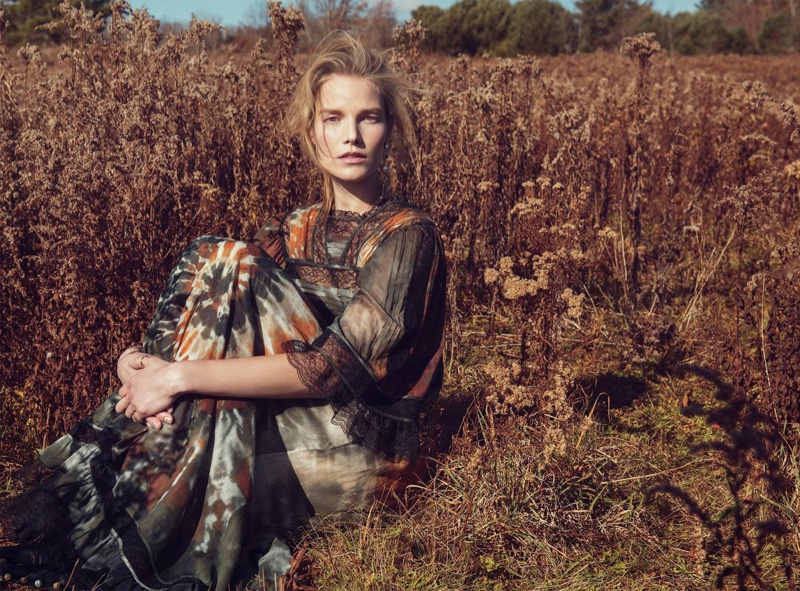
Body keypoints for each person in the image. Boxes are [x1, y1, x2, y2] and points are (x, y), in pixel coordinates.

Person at [0, 32, 446, 591]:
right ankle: (147, 416)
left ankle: (139, 509)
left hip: (361, 453)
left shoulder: (409, 238)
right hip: (290, 424)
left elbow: (331, 370)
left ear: (391, 133)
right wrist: (135, 366)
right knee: (217, 258)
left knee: (229, 262)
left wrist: (180, 377)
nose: (351, 135)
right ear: (311, 132)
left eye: (369, 118)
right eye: (333, 117)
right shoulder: (294, 228)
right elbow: (209, 312)